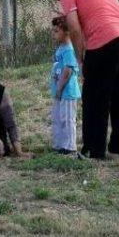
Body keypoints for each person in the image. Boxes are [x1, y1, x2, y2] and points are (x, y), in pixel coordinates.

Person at [46, 0, 119, 160]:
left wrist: (81, 58)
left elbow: (75, 28)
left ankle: (93, 151)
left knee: (95, 96)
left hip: (103, 40)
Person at [49, 16, 81, 155]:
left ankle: (69, 147)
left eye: (57, 31)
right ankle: (59, 144)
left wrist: (60, 88)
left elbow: (67, 71)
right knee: (58, 117)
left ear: (67, 32)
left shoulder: (69, 49)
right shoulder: (61, 49)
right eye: (53, 31)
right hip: (59, 92)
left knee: (67, 119)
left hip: (67, 92)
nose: (53, 34)